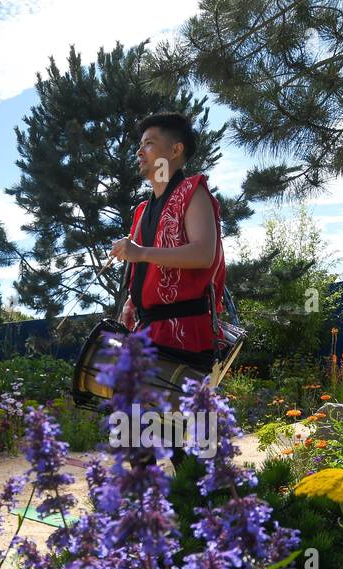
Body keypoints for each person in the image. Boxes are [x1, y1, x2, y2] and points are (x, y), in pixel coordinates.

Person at [109, 113, 227, 467]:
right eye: (139, 145)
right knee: (136, 440)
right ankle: (147, 511)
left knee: (190, 448)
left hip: (186, 331)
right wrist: (130, 304)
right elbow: (144, 275)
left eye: (149, 143)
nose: (140, 151)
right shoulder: (143, 210)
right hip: (147, 333)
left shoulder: (194, 192)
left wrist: (140, 252)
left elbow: (203, 253)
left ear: (175, 150)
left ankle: (211, 510)